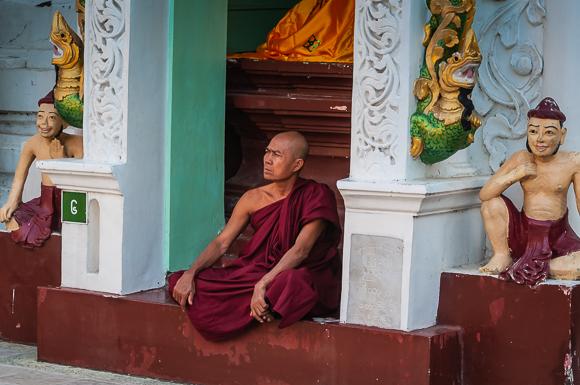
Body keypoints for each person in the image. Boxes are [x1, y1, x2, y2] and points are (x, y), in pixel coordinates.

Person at [169, 131, 342, 341]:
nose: (268, 159)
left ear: (297, 165)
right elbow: (222, 243)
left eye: (277, 155)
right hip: (259, 271)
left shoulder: (316, 195)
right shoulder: (253, 198)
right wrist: (190, 273)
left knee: (291, 282)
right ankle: (270, 303)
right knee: (179, 279)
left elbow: (301, 251)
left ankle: (268, 297)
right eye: (267, 151)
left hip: (300, 272)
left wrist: (263, 284)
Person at [479, 97, 580, 286]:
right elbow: (484, 194)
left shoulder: (574, 162)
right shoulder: (520, 158)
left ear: (562, 135)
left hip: (557, 237)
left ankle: (536, 264)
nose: (540, 138)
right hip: (523, 232)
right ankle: (503, 255)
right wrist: (516, 174)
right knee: (490, 204)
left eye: (549, 132)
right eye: (533, 131)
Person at [0, 91, 83, 248]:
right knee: (12, 218)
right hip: (44, 203)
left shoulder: (77, 143)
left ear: (64, 122)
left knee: (71, 232)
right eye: (40, 116)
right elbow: (19, 176)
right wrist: (11, 202)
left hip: (67, 202)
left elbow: (80, 183)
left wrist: (61, 162)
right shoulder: (33, 143)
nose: (44, 123)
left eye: (51, 117)